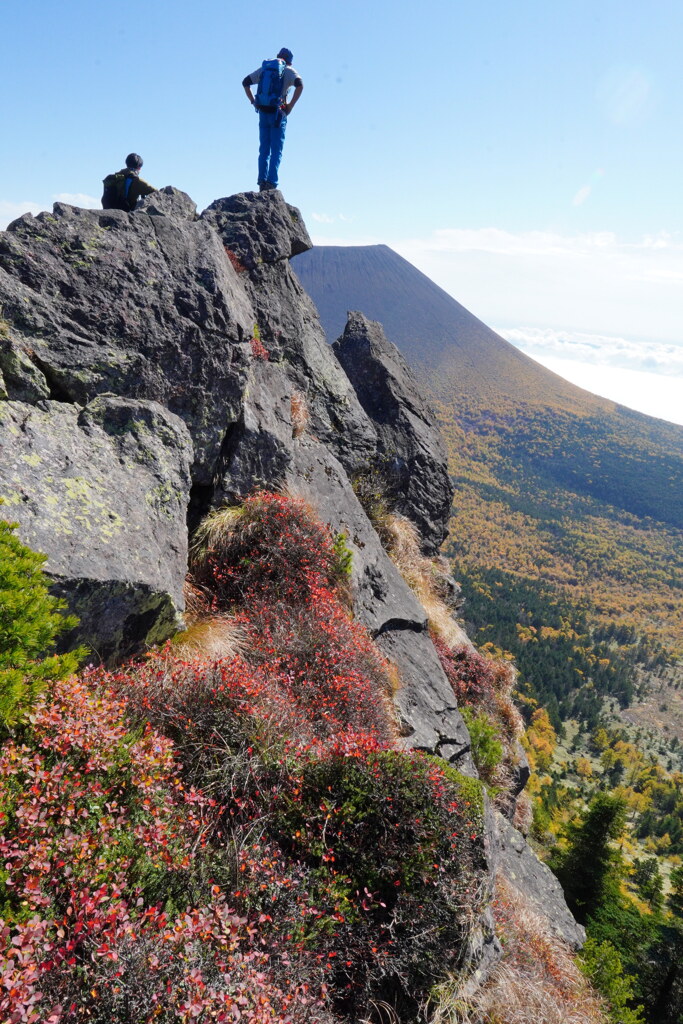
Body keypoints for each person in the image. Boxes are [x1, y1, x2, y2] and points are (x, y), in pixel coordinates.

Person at [242, 48, 303, 192]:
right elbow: (300, 85)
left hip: (263, 112)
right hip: (278, 114)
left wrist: (253, 101)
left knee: (264, 149)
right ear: (289, 61)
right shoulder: (289, 71)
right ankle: (272, 183)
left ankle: (261, 182)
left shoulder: (265, 69)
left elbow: (245, 82)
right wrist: (290, 106)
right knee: (276, 150)